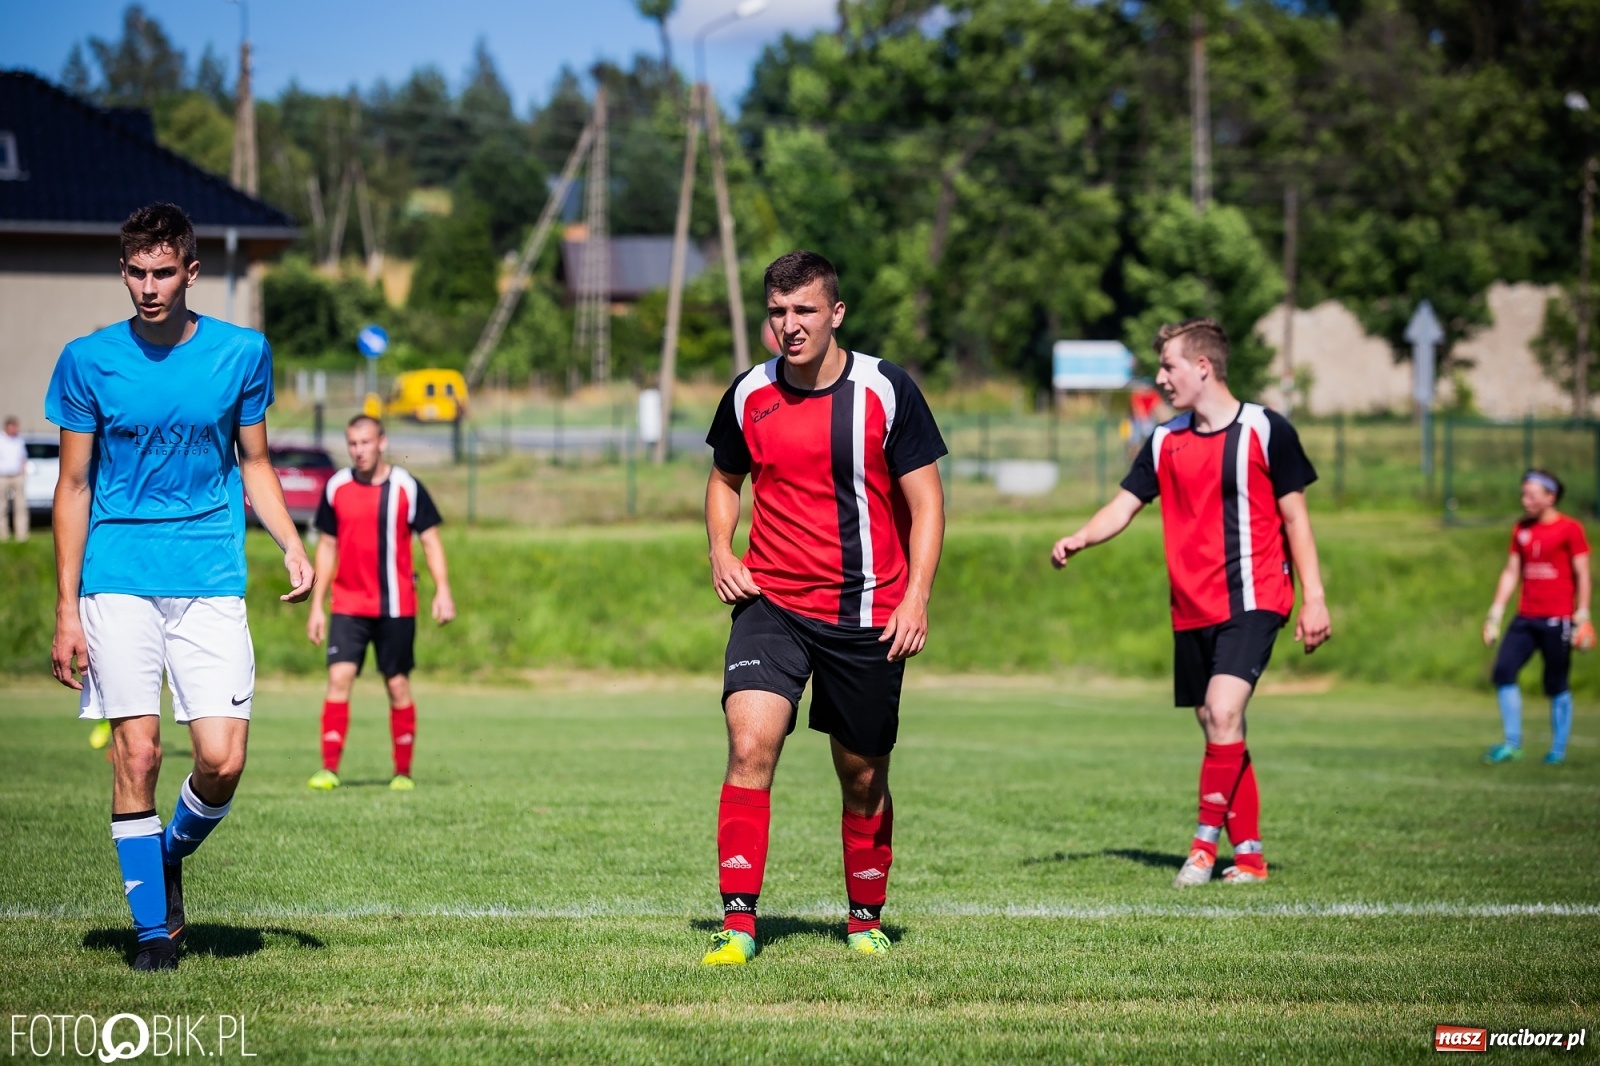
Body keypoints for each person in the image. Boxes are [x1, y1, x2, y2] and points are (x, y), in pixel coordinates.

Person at [46, 202, 314, 971]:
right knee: (138, 755)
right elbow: (72, 486)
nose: (149, 286)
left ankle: (164, 855)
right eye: (136, 272)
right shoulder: (87, 360)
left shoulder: (243, 353)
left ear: (191, 272)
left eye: (163, 272)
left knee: (222, 760)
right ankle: (152, 933)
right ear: (123, 272)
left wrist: (291, 543)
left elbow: (255, 462)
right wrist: (66, 608)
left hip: (210, 576)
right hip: (117, 576)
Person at [698, 250, 947, 966]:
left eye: (804, 310)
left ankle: (864, 917)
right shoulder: (750, 392)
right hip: (771, 602)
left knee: (862, 775)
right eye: (778, 312)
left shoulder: (885, 389)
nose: (790, 325)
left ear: (836, 313)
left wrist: (916, 596)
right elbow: (724, 480)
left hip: (867, 611)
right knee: (750, 744)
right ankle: (738, 925)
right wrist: (721, 550)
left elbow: (927, 502)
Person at [1050, 318, 1330, 888]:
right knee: (1218, 723)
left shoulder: (1265, 429)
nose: (1160, 378)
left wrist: (1315, 598)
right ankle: (1249, 857)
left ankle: (1202, 849)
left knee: (1223, 712)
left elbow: (1296, 518)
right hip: (1193, 605)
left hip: (1255, 596)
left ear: (1203, 367)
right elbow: (1124, 505)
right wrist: (1081, 536)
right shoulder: (1164, 439)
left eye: (1168, 366)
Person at [305, 414, 452, 791]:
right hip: (347, 604)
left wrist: (442, 589)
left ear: (382, 442)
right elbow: (327, 547)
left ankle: (402, 773)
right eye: (352, 444)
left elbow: (430, 541)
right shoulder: (337, 486)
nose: (359, 450)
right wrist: (316, 605)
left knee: (398, 685)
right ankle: (329, 770)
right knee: (339, 678)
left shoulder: (407, 487)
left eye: (366, 442)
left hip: (396, 605)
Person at [1481, 470, 1592, 766]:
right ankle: (1512, 743)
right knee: (1503, 671)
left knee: (1555, 683)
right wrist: (1495, 614)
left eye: (1532, 495)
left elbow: (1582, 573)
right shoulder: (1522, 528)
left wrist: (1583, 614)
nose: (1525, 500)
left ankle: (1558, 750)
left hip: (1558, 618)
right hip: (1526, 617)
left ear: (1550, 497)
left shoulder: (1570, 529)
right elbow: (1511, 571)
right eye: (1523, 494)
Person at [0, 415, 28, 542]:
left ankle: (21, 534)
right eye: (13, 427)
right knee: (2, 506)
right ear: (7, 427)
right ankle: (3, 534)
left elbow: (23, 457)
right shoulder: (1, 439)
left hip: (17, 475)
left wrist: (23, 470)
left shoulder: (19, 440)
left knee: (20, 505)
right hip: (2, 476)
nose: (15, 429)